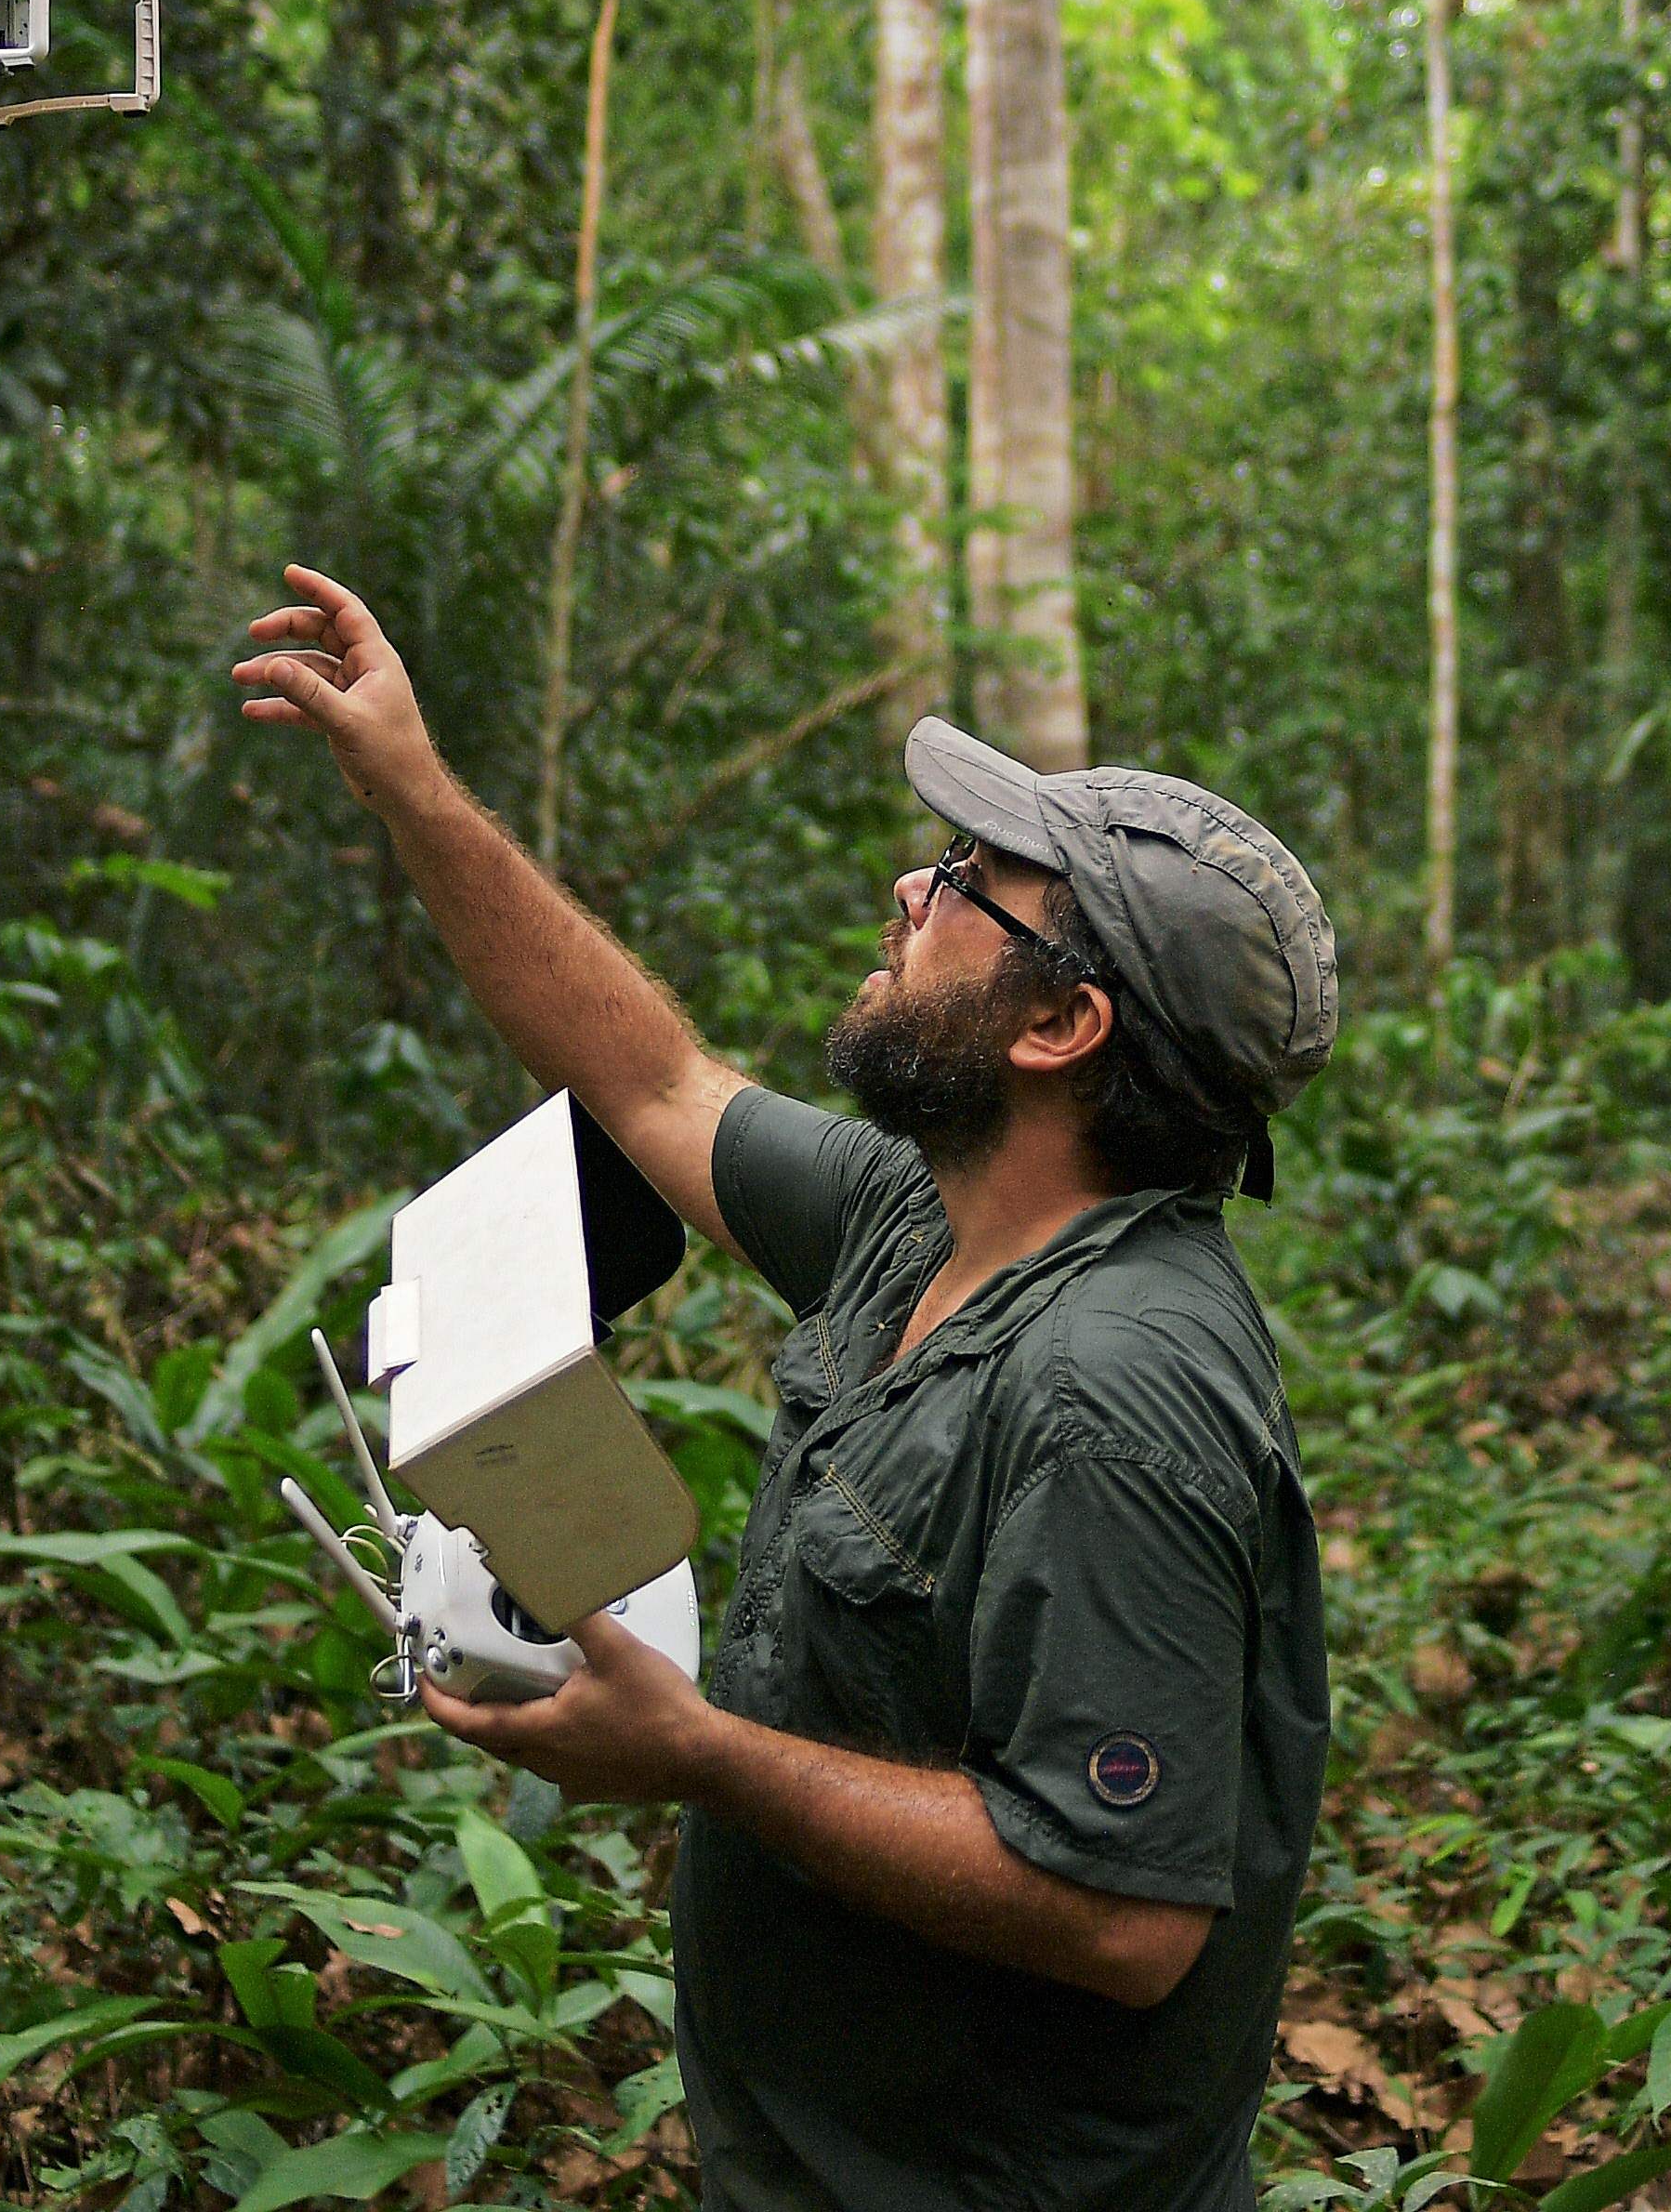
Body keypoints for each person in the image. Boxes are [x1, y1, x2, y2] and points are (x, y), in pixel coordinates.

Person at [230, 563, 1340, 2212]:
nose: (912, 884)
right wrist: (410, 783)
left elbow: (1127, 1918)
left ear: (1062, 1024)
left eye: (971, 879)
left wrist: (702, 1756)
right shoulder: (924, 1215)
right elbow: (650, 1075)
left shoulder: (1115, 1393)